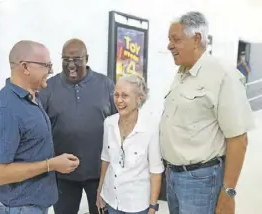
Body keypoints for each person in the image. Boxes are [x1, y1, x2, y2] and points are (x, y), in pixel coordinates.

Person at [160, 12, 254, 214]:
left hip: (201, 181)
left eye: (176, 39)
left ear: (197, 39)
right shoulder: (182, 74)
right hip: (174, 177)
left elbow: (238, 139)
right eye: (169, 40)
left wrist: (228, 192)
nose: (169, 46)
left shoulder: (222, 75)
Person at [0, 40, 80, 214]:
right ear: (25, 67)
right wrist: (51, 165)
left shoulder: (33, 98)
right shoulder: (5, 109)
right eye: (46, 65)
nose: (50, 71)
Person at [39, 38, 117, 214]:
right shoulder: (48, 87)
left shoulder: (105, 84)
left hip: (100, 172)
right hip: (63, 173)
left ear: (86, 58)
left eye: (76, 60)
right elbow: (39, 126)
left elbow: (117, 124)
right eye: (66, 60)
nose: (71, 65)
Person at [96, 74, 164, 214]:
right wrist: (100, 190)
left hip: (137, 205)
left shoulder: (151, 127)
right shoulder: (109, 123)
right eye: (116, 95)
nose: (119, 100)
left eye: (125, 96)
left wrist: (152, 207)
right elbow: (106, 159)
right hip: (112, 200)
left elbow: (155, 171)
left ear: (139, 99)